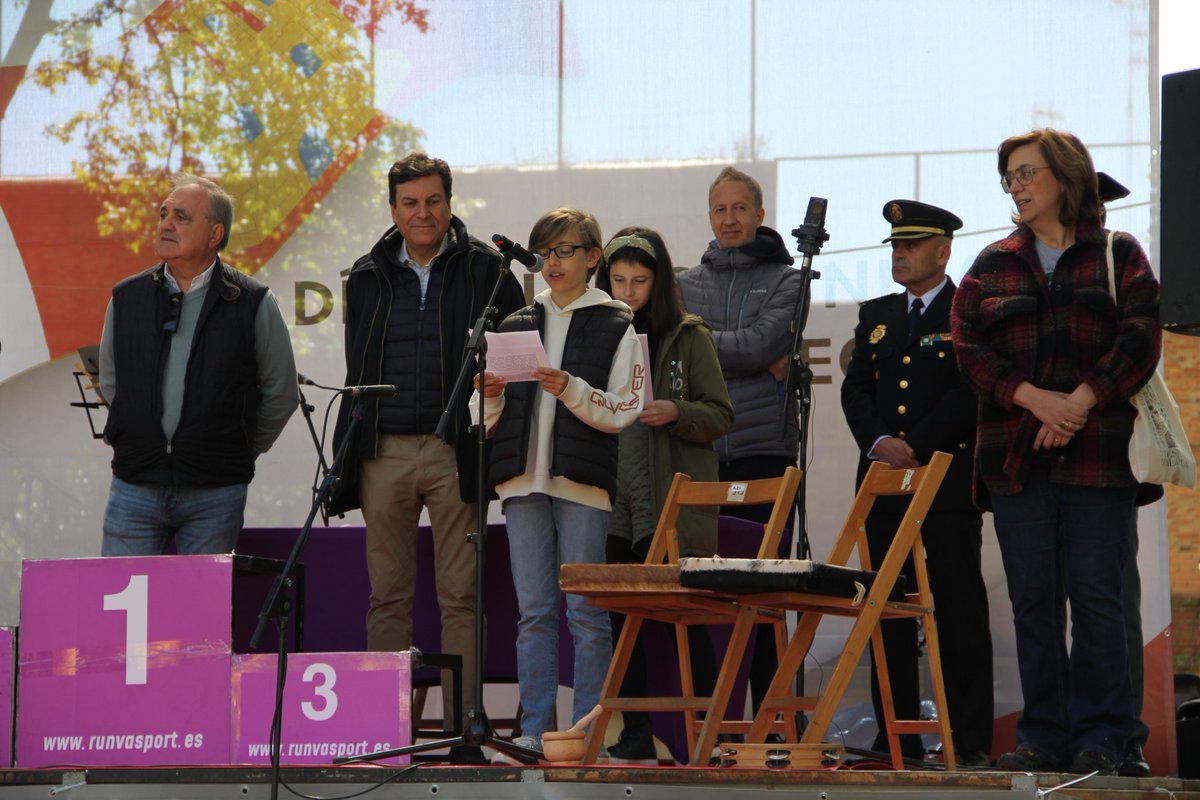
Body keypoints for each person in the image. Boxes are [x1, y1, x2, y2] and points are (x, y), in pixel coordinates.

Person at [951, 129, 1162, 776]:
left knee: (1099, 596)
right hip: (1016, 463)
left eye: (1025, 173)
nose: (1016, 186)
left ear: (1064, 177)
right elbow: (967, 347)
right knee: (1034, 600)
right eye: (1008, 177)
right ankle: (1043, 735)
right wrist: (1036, 400)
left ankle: (1104, 737)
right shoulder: (990, 264)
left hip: (1099, 455)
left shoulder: (1118, 254)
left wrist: (1080, 401)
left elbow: (1141, 336)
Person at [329, 152, 524, 763]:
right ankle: (386, 735)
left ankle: (465, 732)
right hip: (382, 453)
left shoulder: (489, 270)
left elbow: (517, 362)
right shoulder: (366, 274)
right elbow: (357, 368)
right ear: (393, 209)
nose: (422, 213)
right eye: (409, 203)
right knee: (387, 597)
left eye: (433, 201)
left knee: (460, 596)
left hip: (456, 452)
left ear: (449, 203)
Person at [472, 207, 644, 758]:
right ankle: (535, 729)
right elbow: (484, 418)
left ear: (594, 257)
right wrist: (492, 392)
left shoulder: (617, 323)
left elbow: (625, 408)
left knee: (587, 614)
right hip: (521, 484)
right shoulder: (517, 323)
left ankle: (587, 731)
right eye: (545, 252)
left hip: (583, 487)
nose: (553, 262)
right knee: (535, 612)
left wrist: (570, 387)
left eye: (565, 251)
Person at [840, 200, 993, 767]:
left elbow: (970, 390)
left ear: (944, 249)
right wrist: (881, 443)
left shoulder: (965, 310)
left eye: (911, 245)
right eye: (894, 246)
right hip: (883, 483)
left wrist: (918, 445)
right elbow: (855, 390)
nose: (899, 254)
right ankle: (894, 738)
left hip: (947, 483)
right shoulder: (877, 314)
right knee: (887, 610)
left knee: (957, 611)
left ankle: (970, 741)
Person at [99, 173, 298, 555]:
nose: (166, 224)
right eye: (163, 214)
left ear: (215, 234)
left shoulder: (252, 301)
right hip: (134, 488)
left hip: (215, 493)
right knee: (123, 609)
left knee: (199, 613)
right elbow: (111, 383)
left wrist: (236, 448)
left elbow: (282, 392)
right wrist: (144, 436)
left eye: (182, 217)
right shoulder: (127, 298)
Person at [595, 226, 734, 761]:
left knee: (684, 619)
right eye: (619, 279)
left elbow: (720, 414)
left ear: (660, 283)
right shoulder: (593, 331)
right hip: (613, 502)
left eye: (640, 281)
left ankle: (713, 732)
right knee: (618, 622)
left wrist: (677, 412)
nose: (628, 292)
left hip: (668, 501)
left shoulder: (686, 334)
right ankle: (633, 734)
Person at [677, 166, 802, 719]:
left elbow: (759, 344)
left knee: (766, 595)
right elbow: (724, 351)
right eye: (719, 210)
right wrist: (748, 358)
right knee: (703, 596)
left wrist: (712, 346)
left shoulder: (789, 279)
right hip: (699, 453)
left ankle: (773, 725)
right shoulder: (683, 284)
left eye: (739, 209)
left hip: (763, 453)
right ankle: (714, 727)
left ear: (759, 214)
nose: (729, 219)